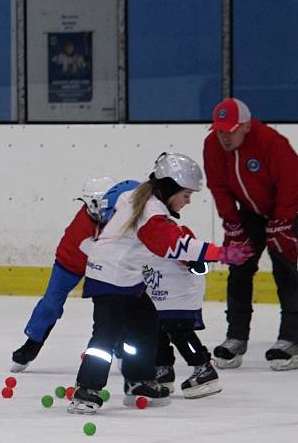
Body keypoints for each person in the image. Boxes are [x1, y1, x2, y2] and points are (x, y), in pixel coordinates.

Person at [68, 153, 253, 414]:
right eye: (186, 195)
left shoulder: (135, 199)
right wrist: (221, 253)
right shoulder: (150, 211)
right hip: (109, 277)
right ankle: (87, 390)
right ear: (170, 188)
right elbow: (174, 246)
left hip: (127, 278)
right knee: (106, 336)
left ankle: (140, 381)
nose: (187, 202)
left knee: (146, 324)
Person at [204, 98, 298, 371]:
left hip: (287, 208)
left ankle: (291, 338)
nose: (224, 136)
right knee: (240, 268)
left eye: (230, 130)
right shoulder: (212, 146)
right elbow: (218, 187)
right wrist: (232, 225)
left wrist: (282, 223)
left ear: (245, 126)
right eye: (219, 130)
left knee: (285, 269)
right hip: (249, 213)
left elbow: (292, 181)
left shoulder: (270, 142)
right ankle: (236, 337)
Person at [11, 177, 139, 372]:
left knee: (114, 305)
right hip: (70, 263)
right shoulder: (82, 229)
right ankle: (31, 346)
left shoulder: (121, 215)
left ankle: (121, 347)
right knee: (50, 304)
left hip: (106, 266)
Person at [143, 228, 222, 399]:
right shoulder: (138, 236)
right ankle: (162, 369)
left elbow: (196, 259)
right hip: (157, 293)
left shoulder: (174, 233)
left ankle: (204, 368)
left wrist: (195, 262)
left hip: (181, 293)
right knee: (156, 329)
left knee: (178, 329)